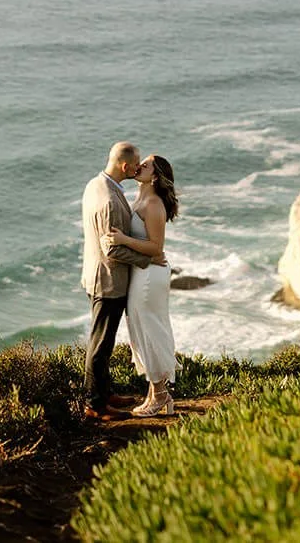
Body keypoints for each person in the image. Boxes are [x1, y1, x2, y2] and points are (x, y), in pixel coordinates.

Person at [80, 141, 159, 421]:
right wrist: (146, 260)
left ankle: (105, 391)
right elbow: (112, 249)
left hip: (94, 274)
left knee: (105, 340)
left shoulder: (95, 184)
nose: (138, 169)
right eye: (135, 165)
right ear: (125, 167)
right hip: (109, 281)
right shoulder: (112, 200)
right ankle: (95, 404)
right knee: (100, 344)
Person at [101, 153, 179, 416]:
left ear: (154, 176)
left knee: (149, 329)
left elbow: (156, 248)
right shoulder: (141, 197)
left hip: (149, 276)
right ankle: (155, 395)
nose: (139, 166)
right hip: (142, 272)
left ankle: (161, 396)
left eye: (145, 165)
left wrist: (122, 239)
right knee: (140, 328)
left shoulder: (154, 203)